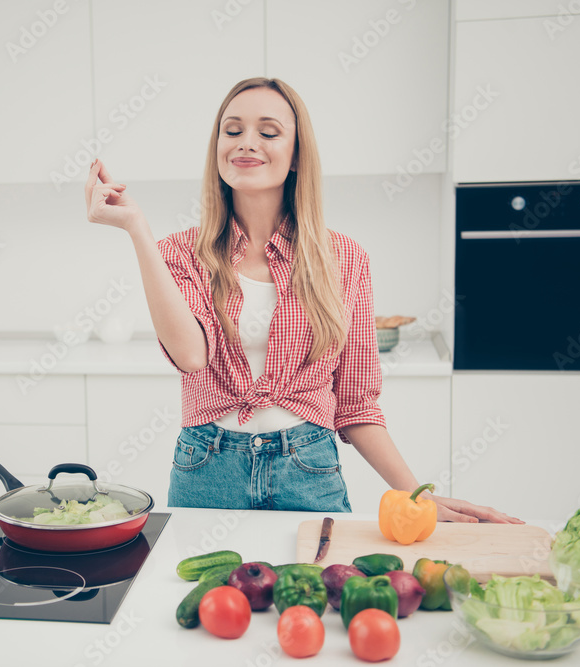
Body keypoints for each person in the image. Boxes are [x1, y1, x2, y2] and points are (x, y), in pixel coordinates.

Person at [84, 77, 520, 523]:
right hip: (205, 468)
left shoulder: (344, 258)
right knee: (204, 593)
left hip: (308, 467)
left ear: (295, 157)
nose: (246, 142)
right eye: (231, 131)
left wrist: (417, 495)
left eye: (268, 132)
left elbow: (355, 404)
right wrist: (137, 228)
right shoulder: (179, 253)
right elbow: (192, 355)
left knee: (320, 590)